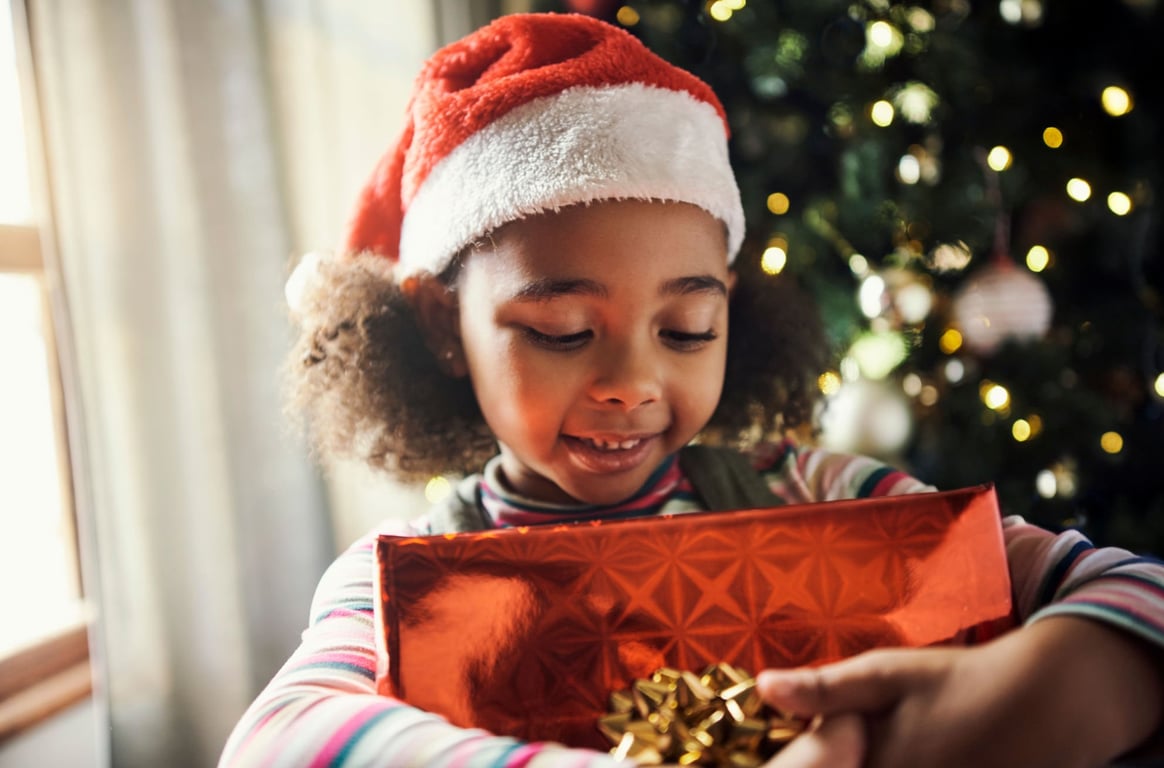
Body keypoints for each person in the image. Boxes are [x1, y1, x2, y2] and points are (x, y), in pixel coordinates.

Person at [219, 12, 1164, 768]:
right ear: (440, 325)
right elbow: (276, 742)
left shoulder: (823, 493)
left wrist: (1058, 684)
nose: (633, 383)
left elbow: (1131, 588)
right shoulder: (391, 584)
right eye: (563, 332)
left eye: (685, 331)